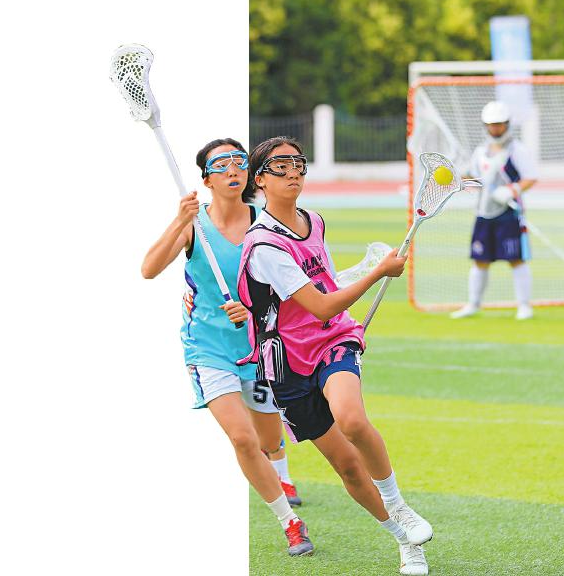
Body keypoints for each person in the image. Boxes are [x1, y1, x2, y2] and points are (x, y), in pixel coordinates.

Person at [236, 136, 430, 575]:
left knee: (352, 419)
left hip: (331, 340)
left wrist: (359, 276)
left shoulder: (314, 221)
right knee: (348, 468)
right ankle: (404, 540)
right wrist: (377, 273)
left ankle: (399, 507)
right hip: (286, 362)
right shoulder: (264, 244)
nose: (292, 171)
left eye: (298, 163)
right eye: (280, 165)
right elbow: (320, 304)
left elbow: (324, 289)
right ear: (259, 179)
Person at [141, 138, 312, 556]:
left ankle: (282, 470)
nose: (233, 169)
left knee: (269, 439)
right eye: (221, 164)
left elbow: (290, 286)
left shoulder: (265, 224)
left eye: (239, 161)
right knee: (243, 439)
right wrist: (178, 221)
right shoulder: (193, 225)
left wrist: (252, 310)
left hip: (260, 346)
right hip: (208, 349)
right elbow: (148, 269)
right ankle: (290, 523)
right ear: (206, 180)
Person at [451, 101, 538, 320]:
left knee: (515, 258)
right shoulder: (481, 152)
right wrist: (456, 175)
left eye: (499, 124)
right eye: (491, 125)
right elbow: (473, 177)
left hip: (508, 213)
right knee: (480, 259)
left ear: (507, 124)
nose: (495, 129)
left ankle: (524, 305)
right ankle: (473, 304)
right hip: (483, 213)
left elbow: (530, 178)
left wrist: (512, 190)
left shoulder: (517, 150)